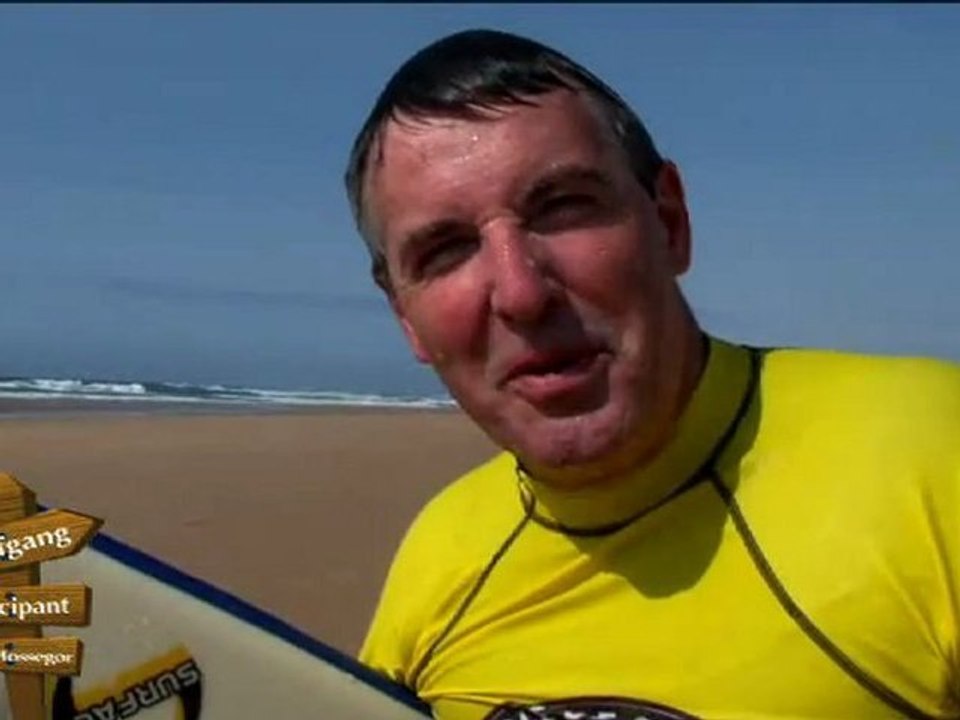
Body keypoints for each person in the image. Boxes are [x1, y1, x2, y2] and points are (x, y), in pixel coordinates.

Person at [343, 28, 960, 720]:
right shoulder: (439, 557)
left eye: (564, 207)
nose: (520, 292)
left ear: (669, 223)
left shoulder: (928, 455)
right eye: (448, 250)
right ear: (405, 317)